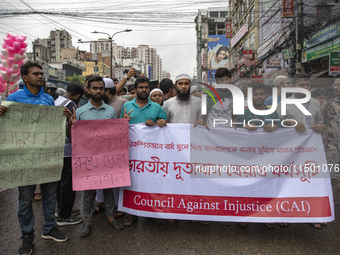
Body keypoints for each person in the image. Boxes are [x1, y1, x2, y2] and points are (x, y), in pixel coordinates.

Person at [0, 62, 68, 255]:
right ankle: (27, 235)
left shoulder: (48, 99)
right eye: (35, 74)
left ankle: (49, 228)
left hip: (46, 157)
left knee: (49, 195)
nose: (40, 76)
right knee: (25, 200)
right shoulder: (13, 99)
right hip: (24, 159)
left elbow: (54, 126)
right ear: (24, 77)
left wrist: (63, 117)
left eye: (41, 74)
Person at [76, 76, 124, 238]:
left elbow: (115, 134)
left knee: (109, 189)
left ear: (105, 90)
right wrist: (70, 124)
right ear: (88, 90)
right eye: (95, 88)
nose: (98, 91)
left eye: (101, 88)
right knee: (88, 191)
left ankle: (110, 216)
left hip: (107, 158)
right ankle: (87, 221)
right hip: (88, 159)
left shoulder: (110, 111)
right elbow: (75, 137)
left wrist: (123, 123)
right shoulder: (80, 112)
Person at [277, 73, 325, 230]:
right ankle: (286, 214)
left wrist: (321, 127)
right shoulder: (284, 104)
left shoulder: (316, 103)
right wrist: (289, 122)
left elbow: (320, 122)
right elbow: (275, 125)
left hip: (310, 151)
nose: (305, 88)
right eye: (301, 85)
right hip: (289, 151)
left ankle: (312, 214)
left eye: (307, 85)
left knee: (309, 182)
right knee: (288, 182)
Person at [120, 76, 168, 226]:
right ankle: (131, 213)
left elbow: (166, 127)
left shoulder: (157, 107)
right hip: (132, 154)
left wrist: (160, 122)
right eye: (140, 87)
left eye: (146, 87)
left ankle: (150, 212)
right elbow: (120, 127)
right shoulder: (127, 105)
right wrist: (124, 121)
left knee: (151, 182)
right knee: (131, 183)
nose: (143, 90)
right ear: (135, 89)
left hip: (152, 155)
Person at [236, 82, 281, 230]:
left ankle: (268, 215)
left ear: (266, 95)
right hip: (248, 158)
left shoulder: (272, 112)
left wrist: (276, 126)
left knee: (267, 186)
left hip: (268, 157)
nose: (259, 96)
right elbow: (233, 130)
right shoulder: (244, 113)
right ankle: (245, 215)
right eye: (255, 94)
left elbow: (283, 130)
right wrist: (244, 127)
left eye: (261, 94)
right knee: (247, 186)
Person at [55, 82, 84, 227]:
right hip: (67, 150)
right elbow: (72, 130)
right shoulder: (71, 105)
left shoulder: (57, 100)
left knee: (60, 182)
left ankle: (61, 209)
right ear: (78, 95)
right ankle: (64, 216)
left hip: (57, 148)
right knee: (68, 183)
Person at [322, 74, 340, 181]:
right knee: (331, 179)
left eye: (339, 85)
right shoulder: (327, 104)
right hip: (331, 151)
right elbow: (322, 124)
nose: (336, 87)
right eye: (335, 85)